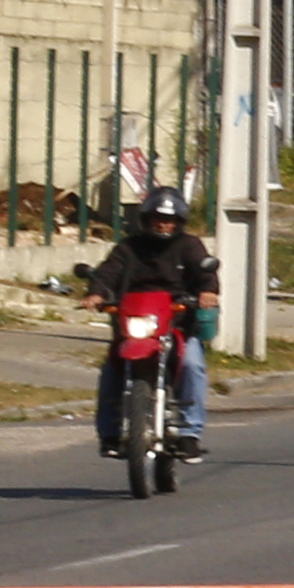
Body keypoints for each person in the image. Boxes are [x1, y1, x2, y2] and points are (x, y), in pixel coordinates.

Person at [81, 183, 218, 457]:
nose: (163, 225)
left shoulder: (189, 245)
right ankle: (108, 433)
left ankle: (190, 434)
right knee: (110, 371)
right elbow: (109, 272)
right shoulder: (128, 247)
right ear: (146, 219)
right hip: (134, 326)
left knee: (192, 366)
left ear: (178, 222)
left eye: (169, 220)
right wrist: (96, 294)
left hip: (177, 324)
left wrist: (207, 291)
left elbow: (205, 271)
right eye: (158, 219)